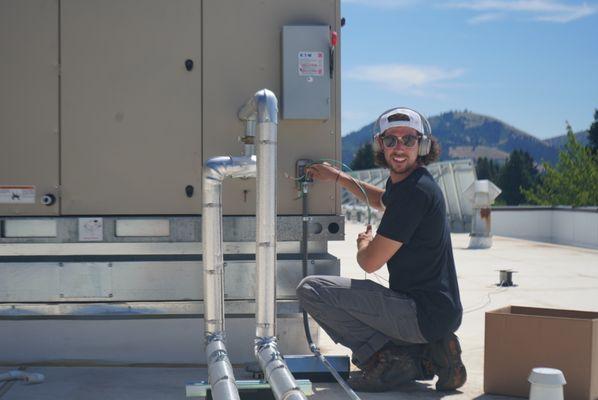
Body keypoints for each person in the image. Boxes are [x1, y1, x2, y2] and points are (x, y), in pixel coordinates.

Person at [297, 107, 466, 392]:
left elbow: (370, 262)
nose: (399, 148)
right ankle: (430, 350)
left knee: (311, 290)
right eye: (391, 140)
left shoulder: (414, 193)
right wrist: (337, 177)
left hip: (418, 313)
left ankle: (393, 360)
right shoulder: (413, 183)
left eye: (408, 140)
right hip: (437, 311)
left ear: (422, 146)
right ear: (381, 145)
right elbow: (383, 200)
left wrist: (364, 244)